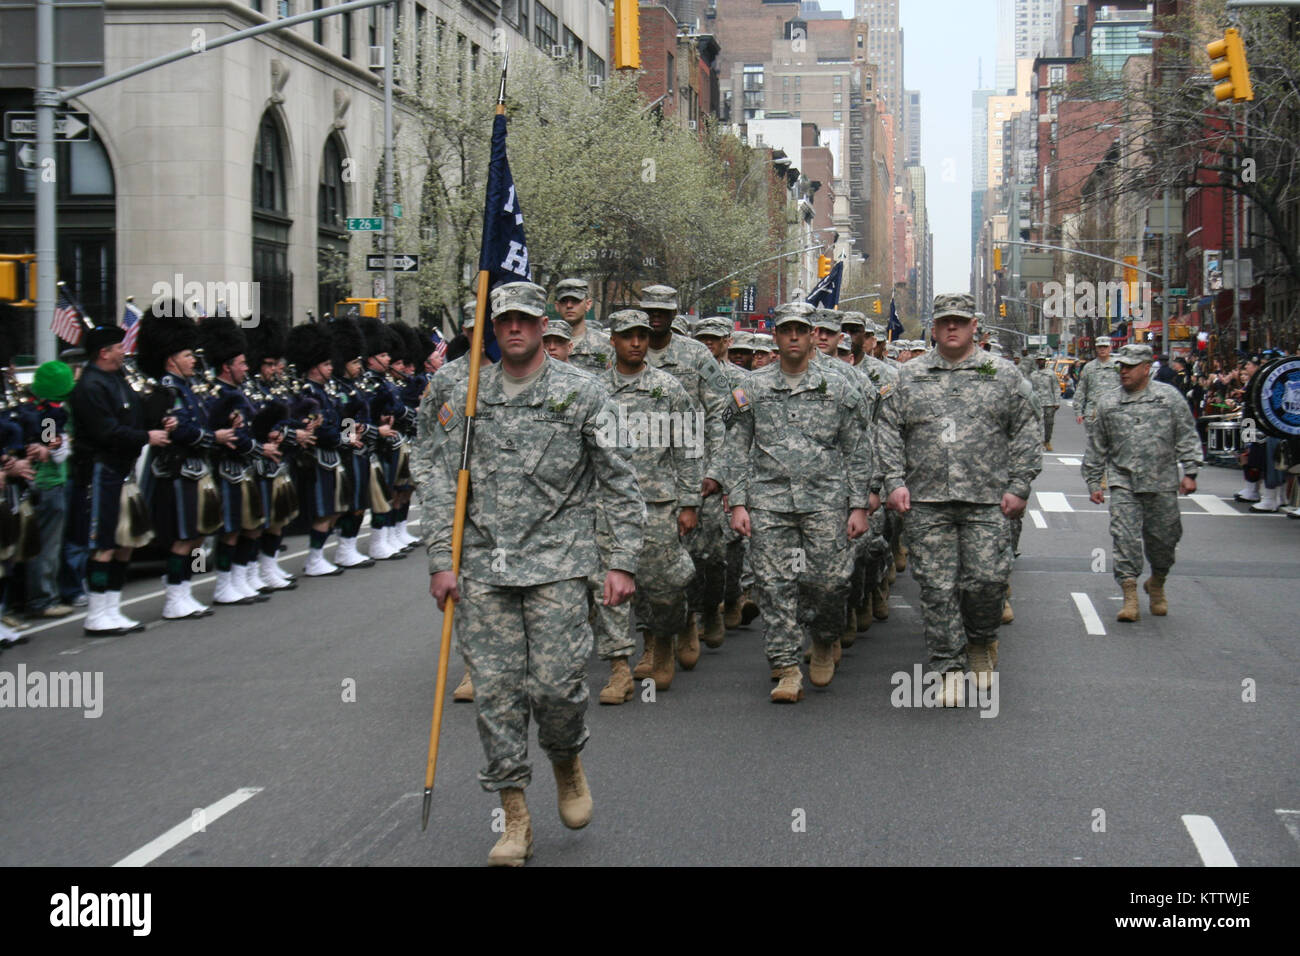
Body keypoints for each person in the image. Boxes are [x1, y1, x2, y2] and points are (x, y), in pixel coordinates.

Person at [420, 280, 644, 867]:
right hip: (484, 569)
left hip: (559, 566)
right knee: (495, 695)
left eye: (524, 319)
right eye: (503, 322)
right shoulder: (467, 396)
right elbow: (442, 481)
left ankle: (567, 760)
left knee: (556, 690)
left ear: (544, 324)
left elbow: (619, 479)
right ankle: (514, 816)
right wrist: (441, 561)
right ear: (492, 330)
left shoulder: (582, 393)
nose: (514, 329)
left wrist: (621, 560)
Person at [876, 293, 1041, 707]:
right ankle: (947, 666)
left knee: (985, 581)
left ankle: (981, 641)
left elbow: (1026, 429)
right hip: (927, 501)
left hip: (987, 500)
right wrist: (893, 482)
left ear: (974, 328)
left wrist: (1019, 485)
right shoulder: (907, 376)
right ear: (933, 328)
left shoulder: (1002, 375)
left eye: (960, 322)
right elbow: (887, 431)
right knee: (936, 588)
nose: (952, 328)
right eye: (944, 321)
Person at [722, 301, 872, 702]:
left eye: (800, 331)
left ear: (810, 336)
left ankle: (824, 639)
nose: (793, 337)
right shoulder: (752, 387)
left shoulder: (839, 386)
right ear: (776, 336)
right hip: (768, 501)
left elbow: (858, 448)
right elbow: (735, 448)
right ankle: (786, 666)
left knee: (829, 583)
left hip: (825, 500)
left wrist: (859, 505)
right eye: (785, 330)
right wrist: (737, 503)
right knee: (773, 586)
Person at [600, 308, 701, 697]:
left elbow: (689, 447)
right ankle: (618, 668)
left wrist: (690, 502)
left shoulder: (668, 388)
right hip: (606, 507)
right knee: (607, 590)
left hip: (657, 503)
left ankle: (662, 641)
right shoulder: (594, 390)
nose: (637, 343)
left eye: (642, 335)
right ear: (614, 340)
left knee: (663, 586)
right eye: (628, 336)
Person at [638, 284, 730, 668]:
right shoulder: (631, 350)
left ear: (676, 313)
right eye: (650, 309)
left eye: (663, 309)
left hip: (692, 471)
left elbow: (721, 411)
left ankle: (696, 614)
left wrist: (715, 470)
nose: (656, 315)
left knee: (701, 555)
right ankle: (654, 640)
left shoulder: (695, 355)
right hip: (644, 474)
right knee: (647, 560)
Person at [1082, 344, 1201, 621]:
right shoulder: (1109, 403)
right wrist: (1093, 482)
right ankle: (1130, 595)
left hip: (1162, 481)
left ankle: (1157, 582)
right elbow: (1097, 445)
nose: (1123, 371)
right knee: (1124, 539)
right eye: (1120, 366)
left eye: (1130, 366)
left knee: (1165, 541)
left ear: (1147, 368)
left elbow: (1186, 434)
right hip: (1124, 482)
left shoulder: (1168, 398)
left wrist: (1191, 472)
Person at [69, 322, 171, 636]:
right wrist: (146, 436)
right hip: (100, 471)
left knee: (126, 541)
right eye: (118, 347)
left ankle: (113, 607)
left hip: (123, 470)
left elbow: (136, 412)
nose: (123, 352)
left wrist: (160, 409)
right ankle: (96, 613)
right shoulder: (89, 386)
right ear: (104, 352)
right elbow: (105, 432)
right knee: (105, 543)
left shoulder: (117, 379)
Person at [20, 361, 75, 619]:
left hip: (39, 485)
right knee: (46, 547)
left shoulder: (29, 410)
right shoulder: (51, 414)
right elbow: (52, 449)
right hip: (49, 484)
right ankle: (44, 599)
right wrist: (58, 445)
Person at [553, 278, 613, 375]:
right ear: (557, 306)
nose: (569, 305)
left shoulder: (606, 344)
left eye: (575, 300)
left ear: (588, 304)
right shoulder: (544, 345)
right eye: (564, 301)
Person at [1074, 335, 1121, 431]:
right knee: (1094, 444)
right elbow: (1081, 390)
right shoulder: (1089, 367)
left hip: (1114, 412)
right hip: (1093, 413)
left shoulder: (1118, 366)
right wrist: (1078, 411)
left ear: (1110, 348)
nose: (1102, 349)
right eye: (1100, 347)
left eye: (1105, 347)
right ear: (1096, 348)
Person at [1029, 350, 1061, 451]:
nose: (1041, 362)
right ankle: (1037, 442)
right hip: (1036, 403)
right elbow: (1030, 389)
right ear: (1036, 362)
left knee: (1049, 424)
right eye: (1039, 360)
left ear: (1045, 361)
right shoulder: (1033, 375)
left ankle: (1047, 441)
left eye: (1042, 360)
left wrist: (1057, 401)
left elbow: (1056, 388)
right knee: (1036, 424)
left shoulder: (1051, 374)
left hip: (1049, 403)